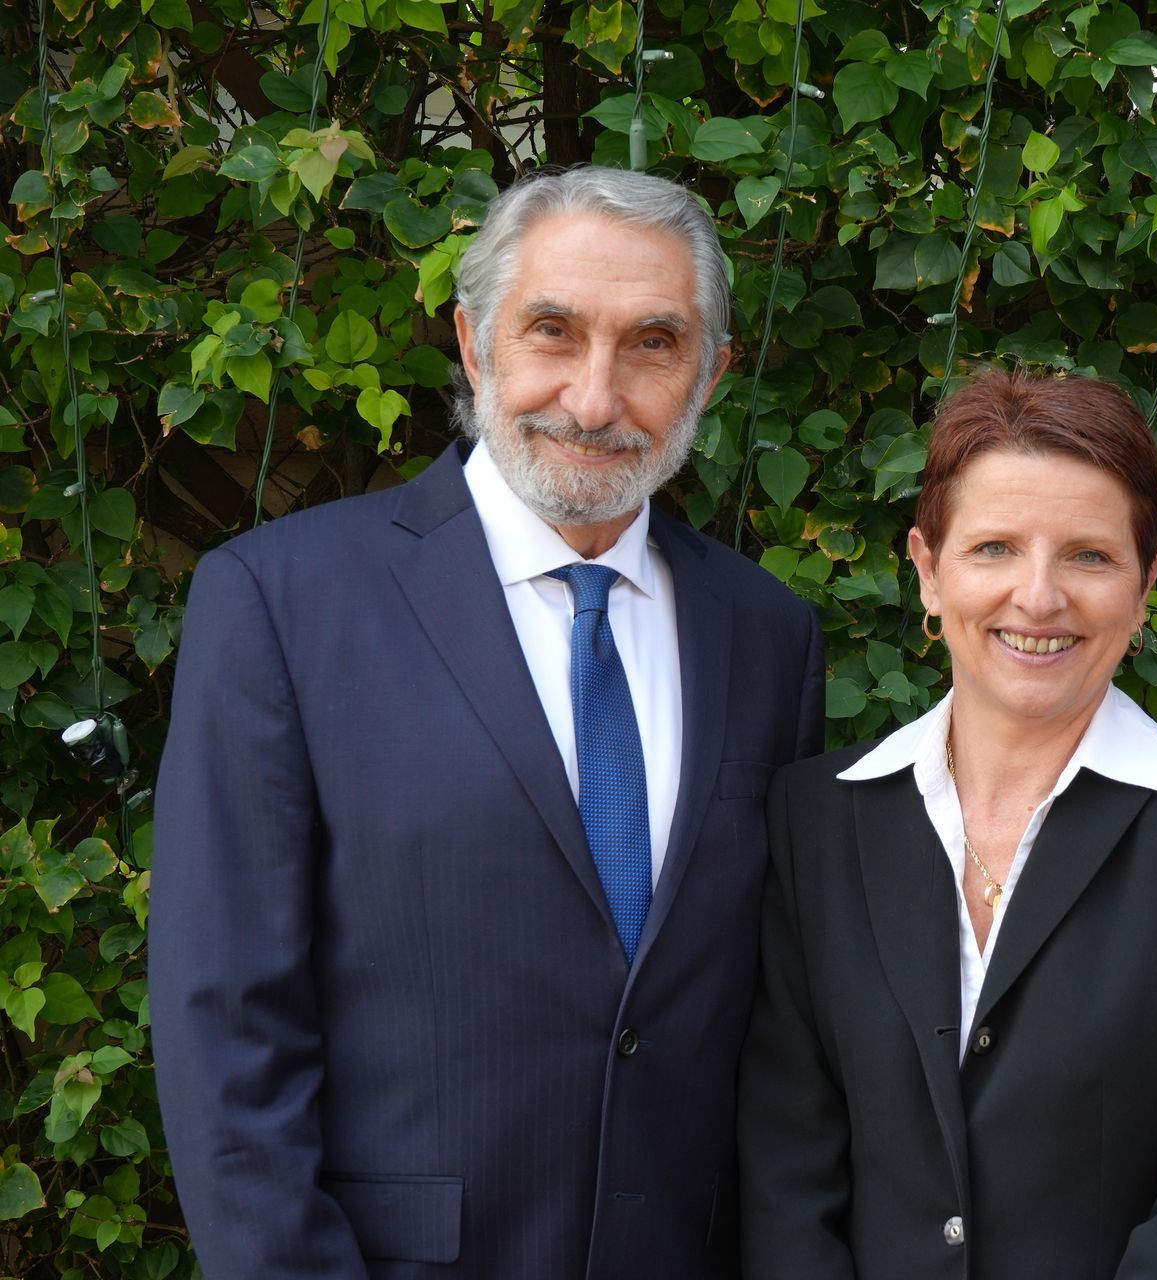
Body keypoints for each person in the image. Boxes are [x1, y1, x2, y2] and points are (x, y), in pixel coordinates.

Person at [150, 167, 823, 1278]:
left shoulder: (766, 634)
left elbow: (771, 1024)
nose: (596, 398)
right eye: (552, 331)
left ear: (713, 371)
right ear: (473, 343)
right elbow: (228, 1035)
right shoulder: (282, 603)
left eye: (653, 343)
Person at [736, 368, 1157, 1278]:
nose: (1039, 598)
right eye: (995, 549)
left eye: (1089, 556)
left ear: (1144, 584)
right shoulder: (815, 819)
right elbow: (785, 1163)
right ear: (928, 571)